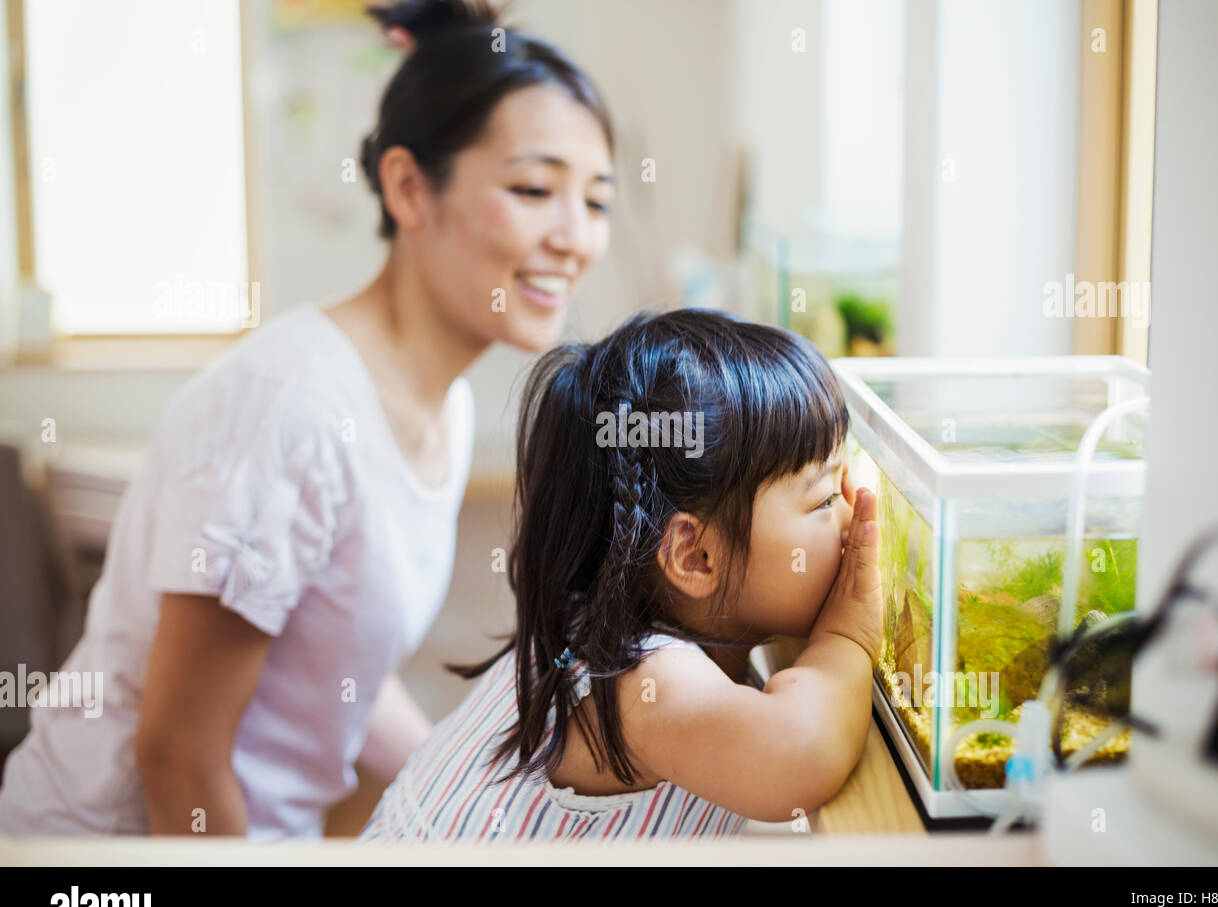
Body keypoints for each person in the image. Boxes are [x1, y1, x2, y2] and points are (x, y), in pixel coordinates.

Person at [0, 0, 616, 838]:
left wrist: (484, 799)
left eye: (598, 200)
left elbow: (337, 675)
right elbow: (177, 753)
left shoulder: (447, 406)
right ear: (408, 186)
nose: (575, 238)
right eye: (535, 189)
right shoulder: (291, 408)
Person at [358, 309, 884, 841]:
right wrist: (849, 635)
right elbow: (797, 755)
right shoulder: (642, 682)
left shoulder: (616, 620)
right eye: (822, 499)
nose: (852, 509)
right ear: (695, 557)